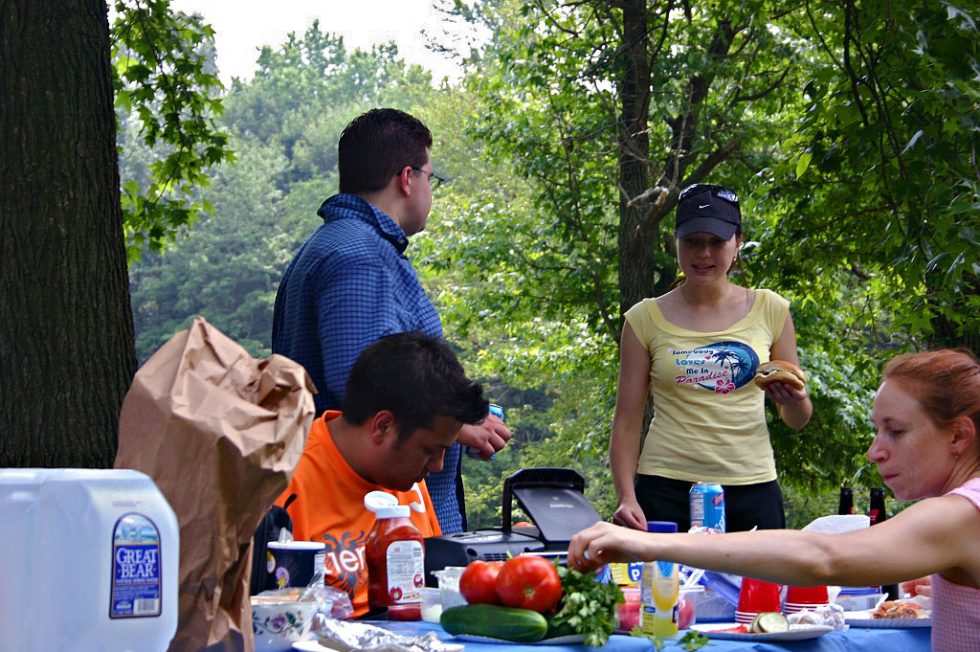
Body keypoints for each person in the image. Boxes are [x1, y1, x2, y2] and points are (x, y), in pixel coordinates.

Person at [570, 349, 980, 652]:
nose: (875, 451)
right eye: (877, 431)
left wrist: (646, 544)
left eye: (895, 431)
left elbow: (823, 557)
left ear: (959, 436)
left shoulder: (961, 514)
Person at [271, 108, 510, 533]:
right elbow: (365, 385)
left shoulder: (340, 247)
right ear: (407, 178)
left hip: (371, 507)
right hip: (367, 517)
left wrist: (464, 415)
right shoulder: (359, 256)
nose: (429, 191)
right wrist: (457, 427)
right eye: (430, 178)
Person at [609, 183, 812, 533]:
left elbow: (796, 419)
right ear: (675, 241)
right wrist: (627, 496)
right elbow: (627, 419)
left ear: (738, 242)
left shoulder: (771, 309)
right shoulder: (643, 318)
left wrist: (795, 400)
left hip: (751, 486)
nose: (703, 254)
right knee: (663, 590)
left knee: (757, 589)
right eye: (692, 241)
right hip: (665, 486)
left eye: (716, 242)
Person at [274, 331, 488, 618]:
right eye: (429, 450)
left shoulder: (404, 479)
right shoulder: (283, 481)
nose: (437, 466)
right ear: (383, 426)